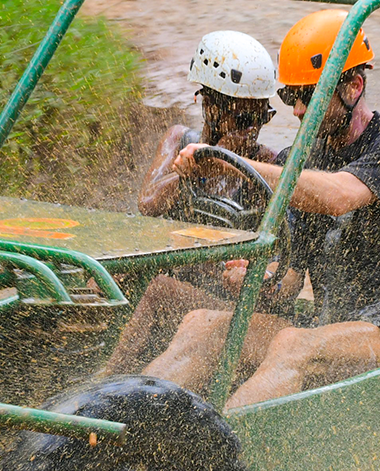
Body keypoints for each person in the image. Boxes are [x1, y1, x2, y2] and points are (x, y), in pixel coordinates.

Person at [141, 9, 380, 409]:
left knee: (294, 345)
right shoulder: (302, 158)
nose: (298, 110)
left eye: (309, 96)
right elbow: (290, 280)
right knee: (201, 325)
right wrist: (260, 279)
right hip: (332, 322)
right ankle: (131, 427)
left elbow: (339, 195)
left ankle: (215, 457)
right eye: (290, 96)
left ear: (354, 86)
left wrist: (228, 160)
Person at [98, 31, 293, 378]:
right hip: (173, 277)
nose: (252, 133)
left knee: (159, 291)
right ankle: (79, 356)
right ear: (209, 106)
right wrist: (193, 171)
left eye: (260, 119)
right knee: (106, 275)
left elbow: (283, 267)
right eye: (243, 120)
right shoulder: (179, 139)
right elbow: (148, 203)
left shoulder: (268, 166)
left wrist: (254, 273)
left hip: (223, 302)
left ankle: (104, 385)